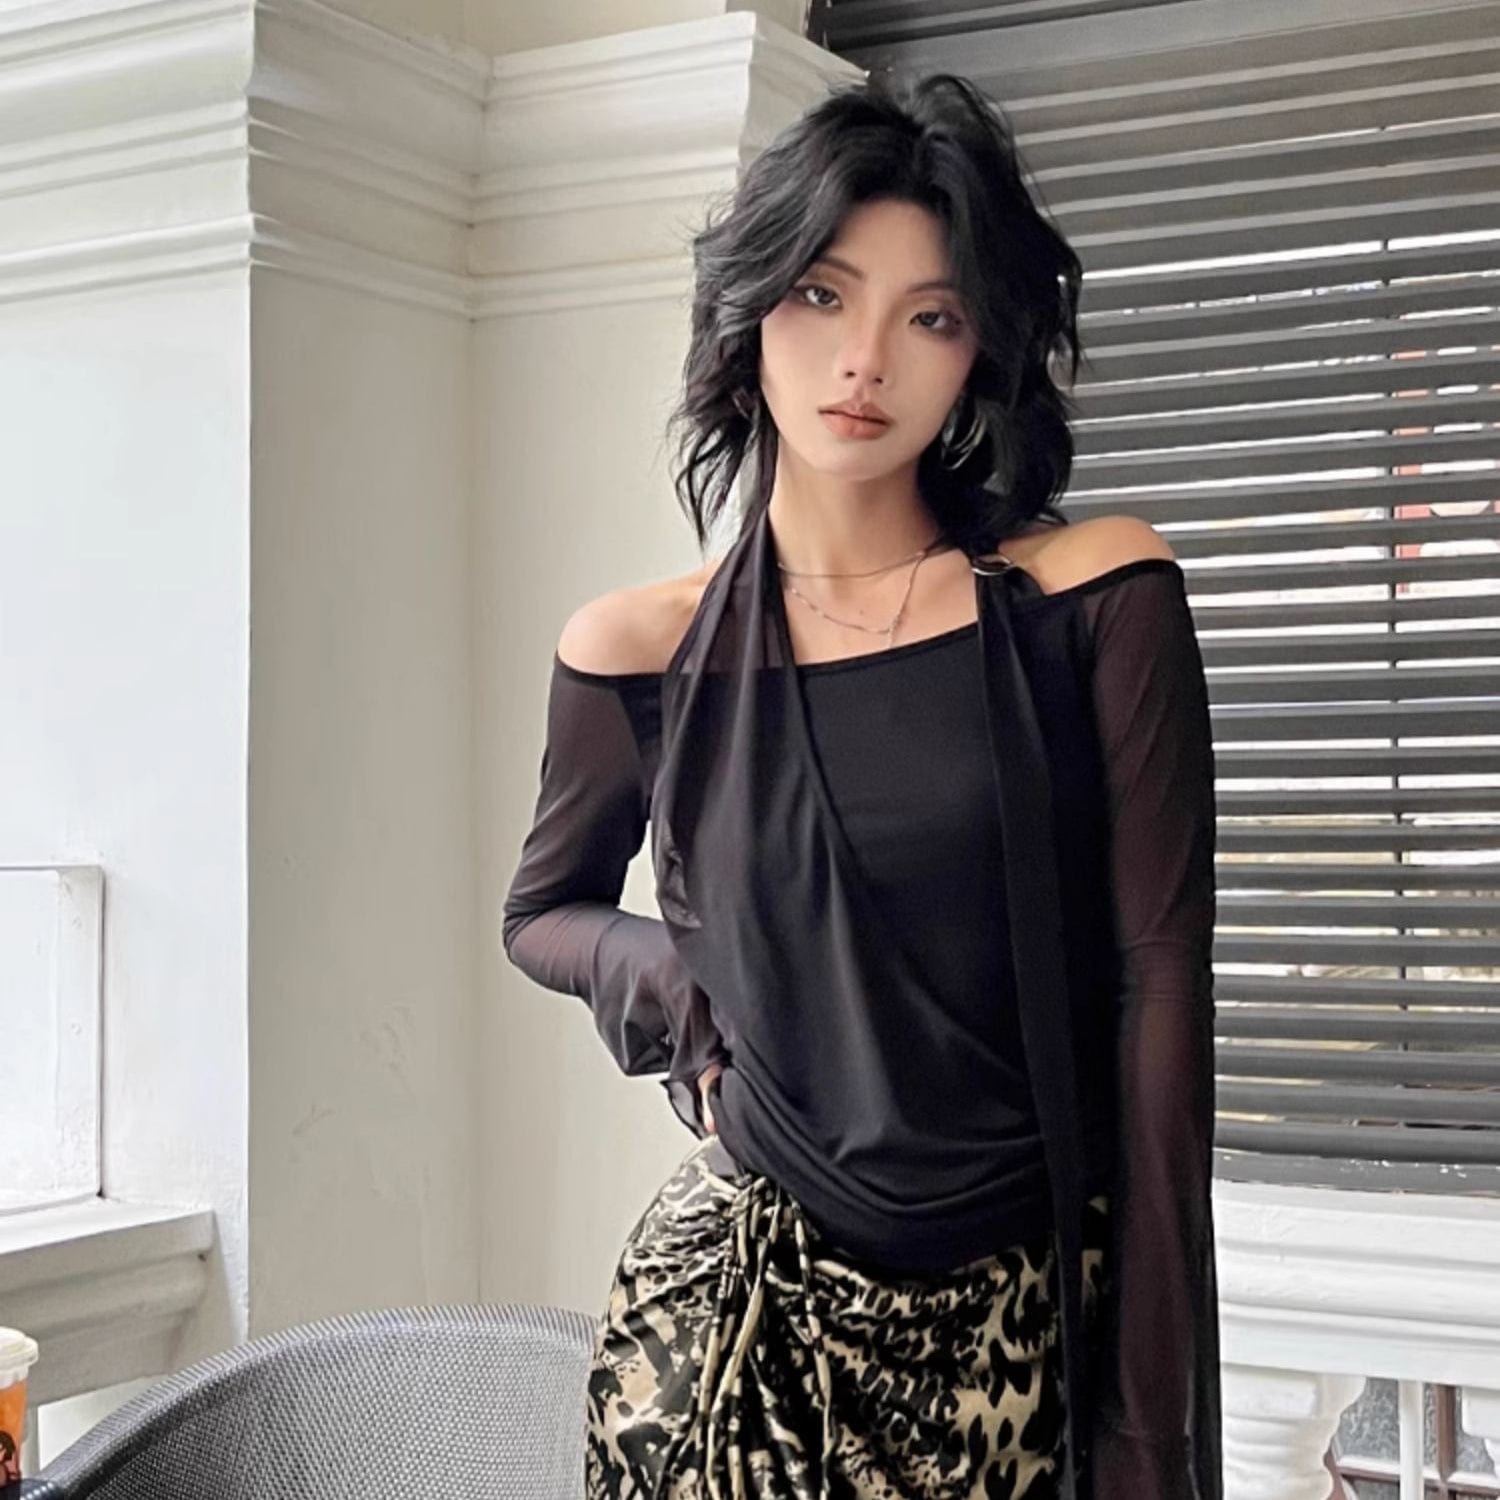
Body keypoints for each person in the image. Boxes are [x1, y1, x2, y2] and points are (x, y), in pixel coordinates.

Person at [502, 70, 1221, 1500]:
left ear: (978, 354)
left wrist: (1149, 1430)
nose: (866, 360)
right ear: (752, 313)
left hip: (1017, 1344)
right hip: (727, 1338)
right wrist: (679, 986)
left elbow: (1162, 1000)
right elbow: (543, 912)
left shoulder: (1094, 597)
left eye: (930, 317)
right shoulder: (639, 649)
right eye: (824, 296)